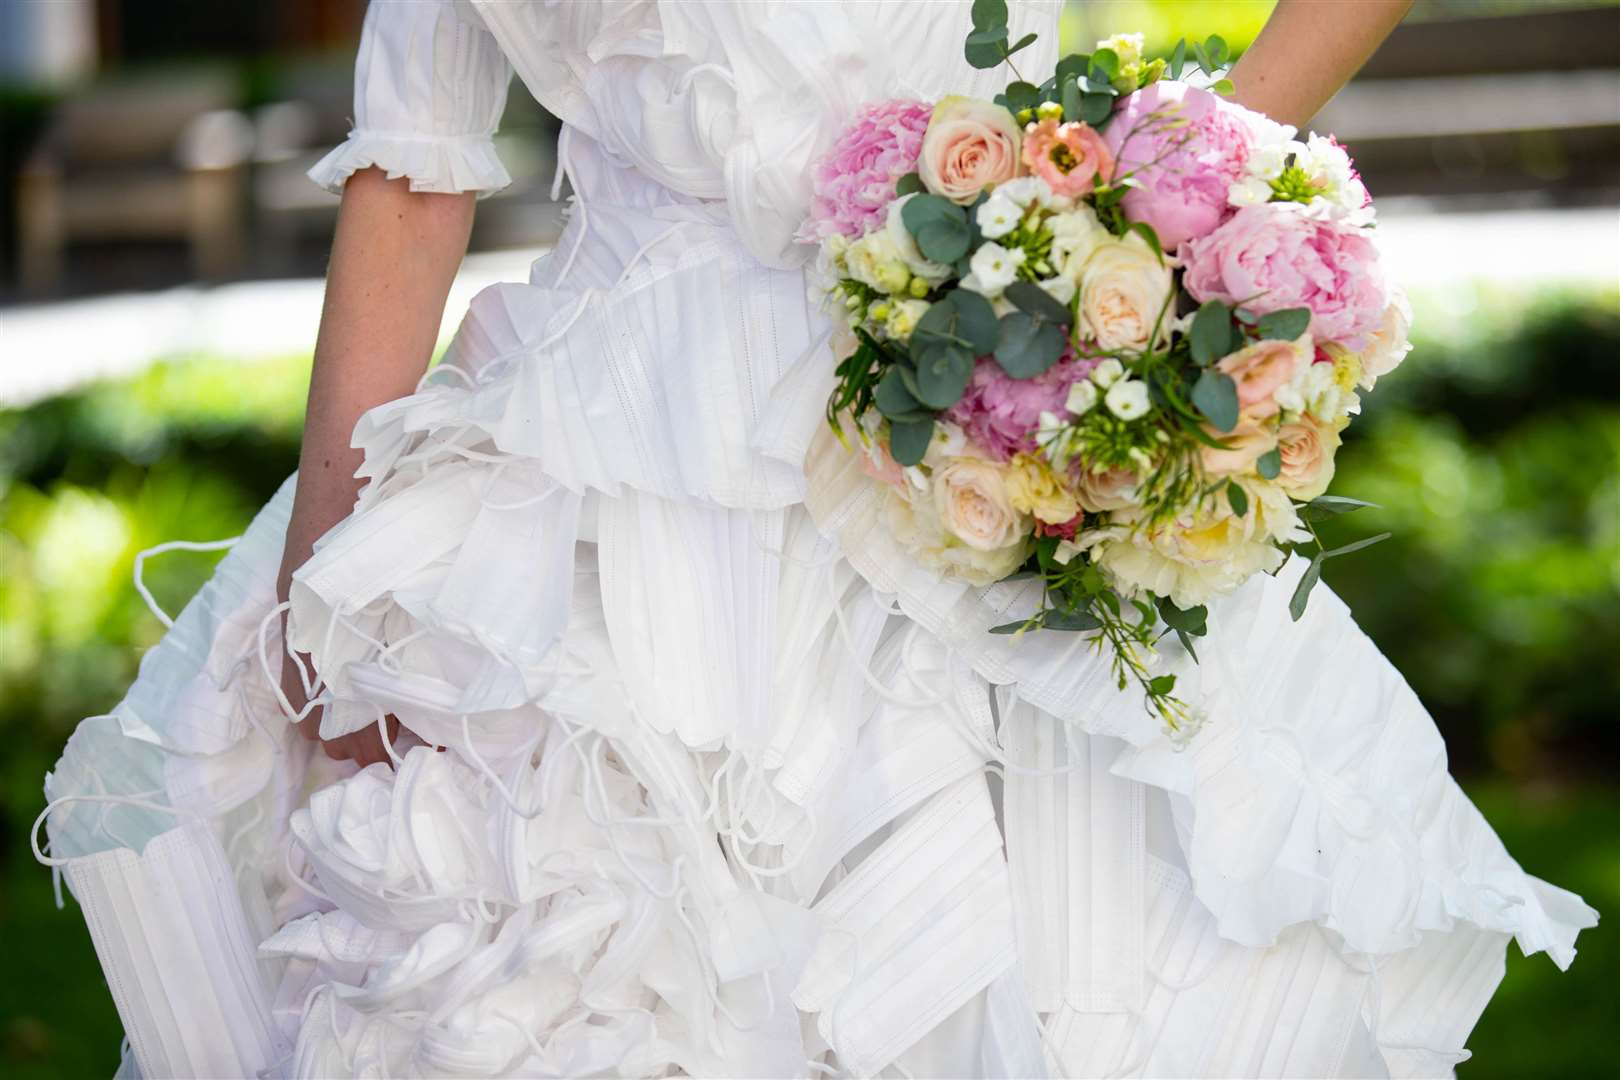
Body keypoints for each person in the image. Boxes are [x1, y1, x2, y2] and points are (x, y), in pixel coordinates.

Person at [36, 2, 1595, 1077]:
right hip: (595, 491)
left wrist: (1155, 205)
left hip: (984, 444)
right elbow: (411, 172)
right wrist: (325, 603)